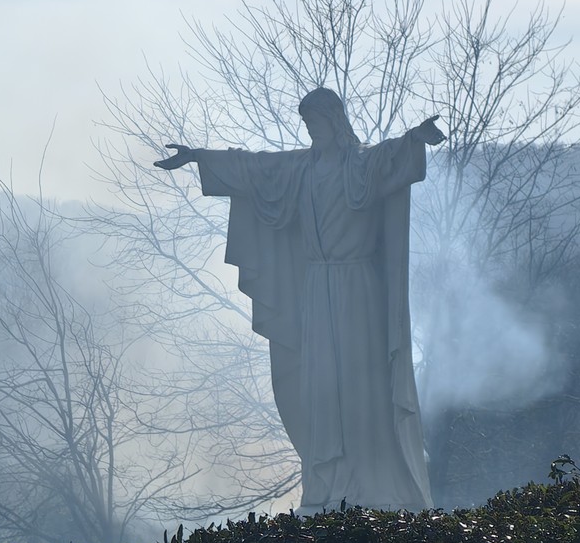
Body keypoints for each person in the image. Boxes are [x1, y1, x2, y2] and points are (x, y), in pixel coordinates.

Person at [156, 88, 445, 512]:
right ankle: (329, 480)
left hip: (356, 288)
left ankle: (369, 480)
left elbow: (391, 156)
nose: (310, 129)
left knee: (358, 383)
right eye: (306, 123)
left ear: (333, 120)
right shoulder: (300, 168)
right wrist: (199, 155)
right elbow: (252, 167)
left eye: (316, 121)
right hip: (316, 288)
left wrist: (416, 137)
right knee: (322, 385)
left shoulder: (360, 164)